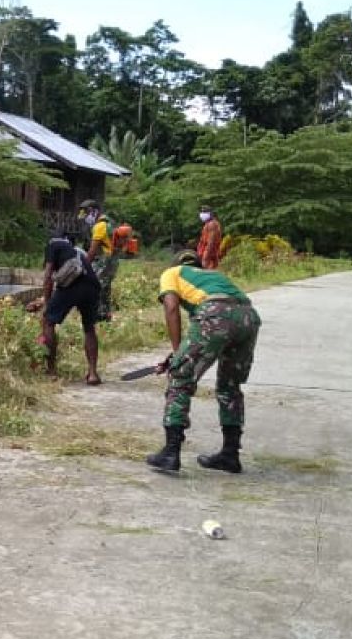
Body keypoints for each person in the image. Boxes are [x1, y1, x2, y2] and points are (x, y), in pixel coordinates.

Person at [145, 250, 261, 475]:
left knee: (180, 378)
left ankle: (171, 452)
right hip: (248, 317)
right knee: (230, 387)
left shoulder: (172, 272)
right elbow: (212, 332)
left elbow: (171, 307)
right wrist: (180, 353)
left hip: (215, 313)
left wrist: (177, 354)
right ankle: (230, 454)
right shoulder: (213, 276)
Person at [27, 233, 102, 385]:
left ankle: (51, 370)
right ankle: (93, 373)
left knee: (48, 322)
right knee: (89, 328)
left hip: (73, 287)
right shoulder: (78, 251)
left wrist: (47, 304)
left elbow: (48, 277)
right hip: (92, 286)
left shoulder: (53, 245)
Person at [79, 199, 119, 321]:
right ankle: (106, 314)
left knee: (95, 286)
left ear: (92, 211)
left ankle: (98, 315)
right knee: (105, 287)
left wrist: (83, 265)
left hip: (104, 261)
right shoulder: (109, 222)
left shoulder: (100, 226)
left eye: (86, 214)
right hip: (112, 260)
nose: (84, 217)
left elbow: (92, 250)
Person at [196, 205, 223, 270]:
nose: (202, 214)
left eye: (204, 212)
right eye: (202, 212)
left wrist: (206, 256)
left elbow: (211, 242)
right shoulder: (208, 224)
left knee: (207, 271)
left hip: (209, 252)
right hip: (206, 251)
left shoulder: (212, 224)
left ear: (209, 213)